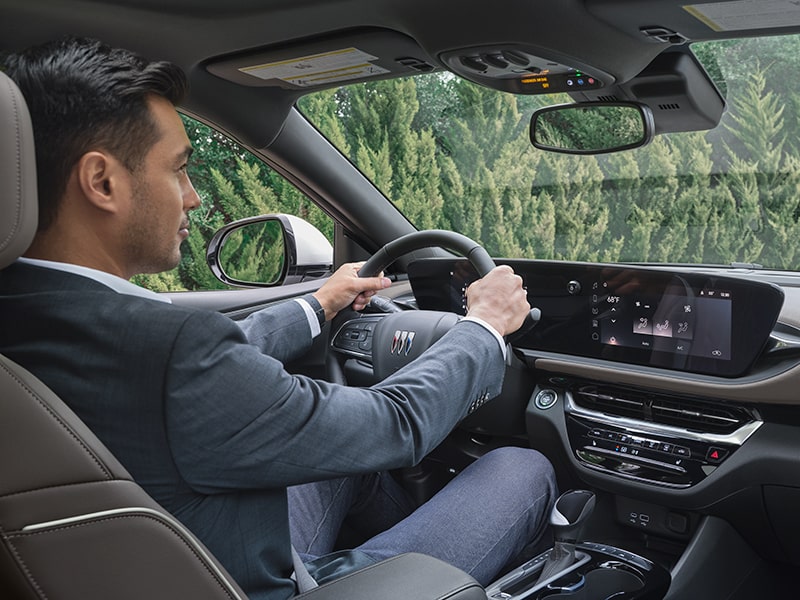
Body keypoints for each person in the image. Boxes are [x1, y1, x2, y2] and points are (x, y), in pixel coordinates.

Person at [0, 37, 557, 599]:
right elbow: (394, 425)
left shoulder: (35, 316)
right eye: (179, 169)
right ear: (102, 182)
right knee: (521, 469)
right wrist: (484, 325)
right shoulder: (170, 352)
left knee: (348, 464)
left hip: (168, 561)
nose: (193, 197)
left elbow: (209, 362)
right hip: (242, 582)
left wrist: (319, 303)